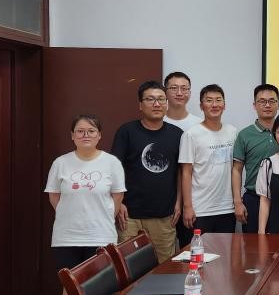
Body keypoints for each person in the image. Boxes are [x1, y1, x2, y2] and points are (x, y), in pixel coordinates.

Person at [111, 81, 183, 263]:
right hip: (129, 216)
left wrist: (179, 202)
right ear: (140, 105)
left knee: (165, 267)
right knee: (128, 268)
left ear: (166, 103)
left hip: (164, 215)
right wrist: (118, 203)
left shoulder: (177, 134)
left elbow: (181, 172)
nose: (156, 104)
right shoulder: (126, 132)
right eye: (150, 99)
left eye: (161, 99)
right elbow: (113, 170)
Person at [45, 114, 126, 271]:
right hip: (66, 238)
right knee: (70, 283)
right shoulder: (60, 163)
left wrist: (105, 216)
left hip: (101, 236)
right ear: (72, 135)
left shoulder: (112, 162)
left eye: (91, 131)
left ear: (99, 135)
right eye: (80, 131)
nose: (85, 135)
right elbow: (53, 195)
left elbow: (118, 195)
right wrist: (68, 213)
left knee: (100, 284)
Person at [179, 84, 237, 234]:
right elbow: (186, 172)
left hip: (227, 208)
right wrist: (187, 206)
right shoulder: (191, 134)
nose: (214, 105)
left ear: (224, 105)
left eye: (218, 100)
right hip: (200, 209)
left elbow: (235, 169)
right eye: (209, 100)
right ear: (201, 106)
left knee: (226, 249)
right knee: (198, 249)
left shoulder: (233, 132)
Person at [232, 84, 279, 233]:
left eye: (272, 101)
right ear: (254, 105)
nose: (267, 105)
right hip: (254, 199)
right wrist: (237, 202)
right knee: (254, 245)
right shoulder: (244, 135)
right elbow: (236, 170)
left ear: (278, 105)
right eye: (262, 101)